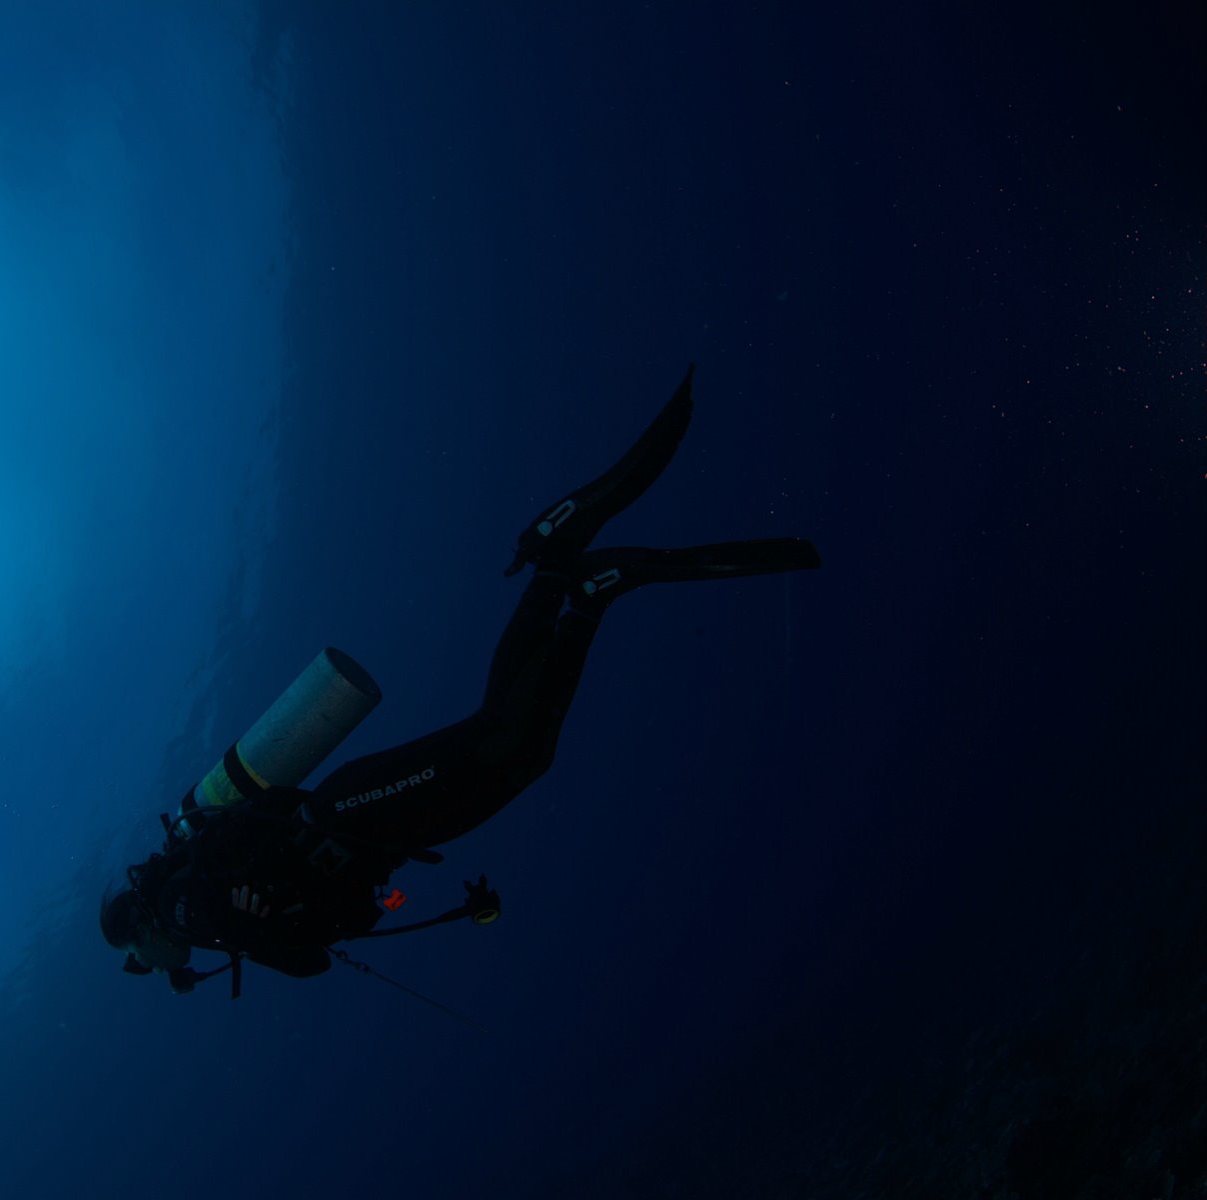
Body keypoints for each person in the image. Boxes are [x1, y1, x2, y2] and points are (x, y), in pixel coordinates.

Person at [101, 365, 820, 995]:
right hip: (377, 834)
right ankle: (582, 591)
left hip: (352, 815)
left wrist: (262, 932)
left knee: (500, 735)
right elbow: (319, 932)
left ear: (139, 929)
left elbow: (302, 962)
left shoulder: (185, 912)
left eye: (142, 960)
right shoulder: (202, 914)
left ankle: (561, 565)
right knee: (524, 754)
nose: (156, 967)